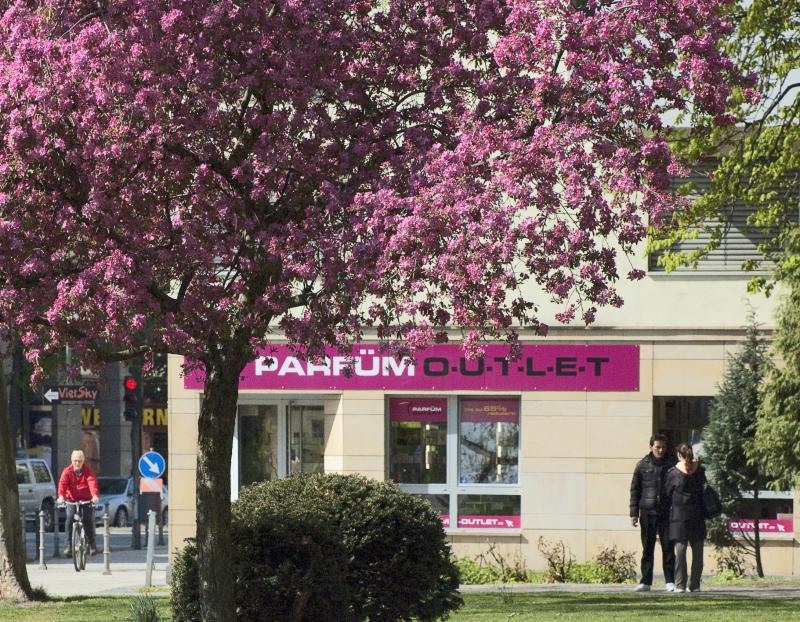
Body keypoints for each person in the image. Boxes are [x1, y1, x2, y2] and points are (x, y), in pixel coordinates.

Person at [629, 434, 677, 592]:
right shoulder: (642, 464)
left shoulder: (672, 464)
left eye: (663, 447)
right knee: (647, 548)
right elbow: (635, 489)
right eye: (657, 447)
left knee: (668, 548)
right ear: (651, 447)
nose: (661, 450)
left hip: (667, 512)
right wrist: (633, 513)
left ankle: (670, 581)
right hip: (647, 512)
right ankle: (645, 582)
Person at [665, 443, 707, 593]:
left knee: (680, 553)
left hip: (679, 517)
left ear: (678, 455)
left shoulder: (673, 473)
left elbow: (668, 493)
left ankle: (680, 585)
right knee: (698, 553)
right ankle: (695, 585)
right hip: (697, 516)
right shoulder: (700, 471)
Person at [57, 449, 100, 556]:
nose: (77, 463)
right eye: (75, 460)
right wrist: (61, 496)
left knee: (87, 520)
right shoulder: (67, 471)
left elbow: (92, 482)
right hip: (72, 500)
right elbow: (62, 484)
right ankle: (68, 546)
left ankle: (91, 544)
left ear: (83, 461)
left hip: (86, 500)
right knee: (69, 518)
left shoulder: (87, 471)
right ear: (71, 460)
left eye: (79, 461)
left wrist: (94, 496)